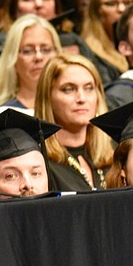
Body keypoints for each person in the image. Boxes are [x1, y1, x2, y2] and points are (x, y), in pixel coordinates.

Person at [34, 54, 113, 191]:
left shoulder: (113, 154)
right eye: (69, 89)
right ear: (48, 98)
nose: (82, 98)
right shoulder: (39, 163)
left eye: (89, 88)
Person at [0, 14, 61, 117]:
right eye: (27, 51)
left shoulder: (76, 108)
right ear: (13, 59)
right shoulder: (3, 117)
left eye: (46, 49)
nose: (38, 57)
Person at [80, 0, 133, 75]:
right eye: (111, 3)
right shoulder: (87, 53)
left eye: (127, 3)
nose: (122, 9)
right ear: (96, 10)